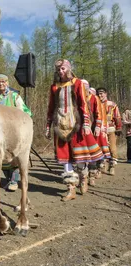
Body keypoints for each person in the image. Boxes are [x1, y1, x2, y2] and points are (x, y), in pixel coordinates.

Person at [45, 59, 103, 201]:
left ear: (69, 69)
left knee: (80, 157)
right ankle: (71, 188)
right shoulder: (54, 87)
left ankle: (83, 177)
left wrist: (87, 123)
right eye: (58, 70)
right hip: (60, 125)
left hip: (76, 124)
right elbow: (51, 107)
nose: (61, 72)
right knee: (65, 158)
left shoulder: (78, 83)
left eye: (63, 69)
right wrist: (48, 126)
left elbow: (83, 103)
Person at [0, 74, 32, 192]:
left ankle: (14, 181)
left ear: (7, 83)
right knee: (0, 157)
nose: (1, 84)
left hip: (13, 131)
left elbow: (24, 113)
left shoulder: (14, 97)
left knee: (14, 157)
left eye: (3, 81)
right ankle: (9, 179)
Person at [82, 81, 110, 186]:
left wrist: (99, 127)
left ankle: (92, 175)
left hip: (93, 128)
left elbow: (99, 114)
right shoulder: (79, 97)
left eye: (85, 87)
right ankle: (83, 177)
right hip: (81, 129)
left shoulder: (94, 98)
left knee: (93, 152)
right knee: (84, 153)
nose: (83, 89)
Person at [96, 87, 122, 175]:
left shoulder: (112, 104)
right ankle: (101, 166)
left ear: (106, 94)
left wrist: (118, 127)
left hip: (110, 128)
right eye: (98, 93)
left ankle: (112, 166)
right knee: (100, 148)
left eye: (101, 93)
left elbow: (117, 116)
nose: (100, 95)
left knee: (112, 148)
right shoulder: (95, 103)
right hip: (99, 129)